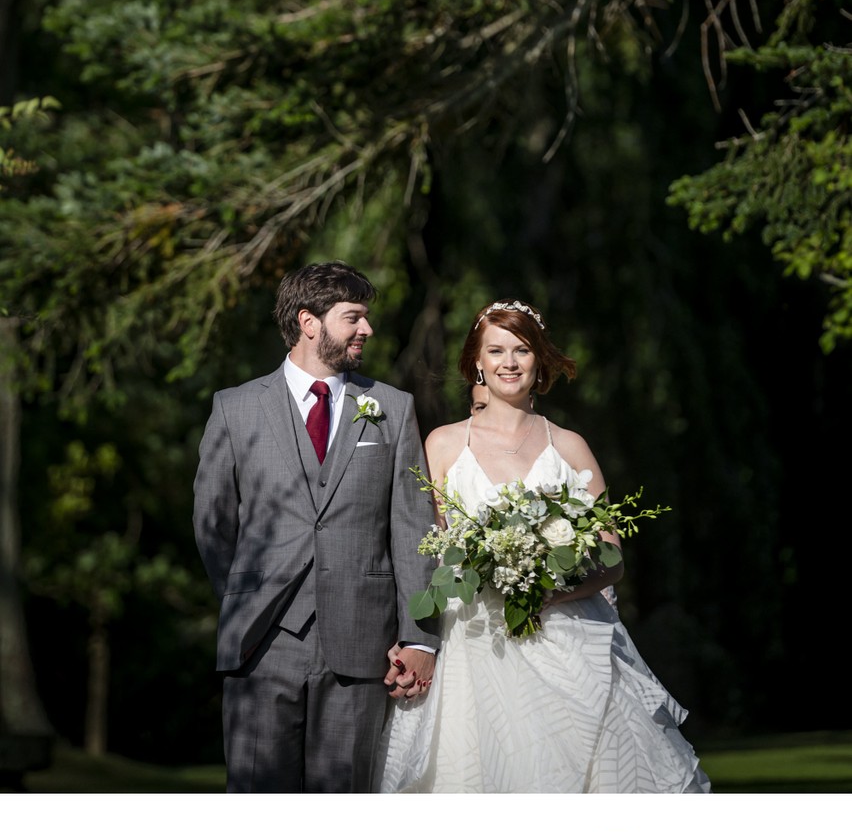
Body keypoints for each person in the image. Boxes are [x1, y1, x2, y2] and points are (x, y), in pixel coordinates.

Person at [377, 299, 710, 794]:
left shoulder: (569, 446)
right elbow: (428, 552)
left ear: (539, 362)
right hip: (475, 642)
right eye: (497, 350)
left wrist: (551, 589)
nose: (510, 362)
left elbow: (612, 557)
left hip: (569, 638)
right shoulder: (443, 444)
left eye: (523, 350)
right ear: (477, 364)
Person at [193, 261, 440, 793]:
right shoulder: (235, 409)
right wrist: (245, 595)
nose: (366, 330)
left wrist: (418, 637)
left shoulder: (392, 410)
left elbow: (413, 529)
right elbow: (213, 524)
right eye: (353, 317)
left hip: (362, 645)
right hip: (260, 643)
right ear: (309, 322)